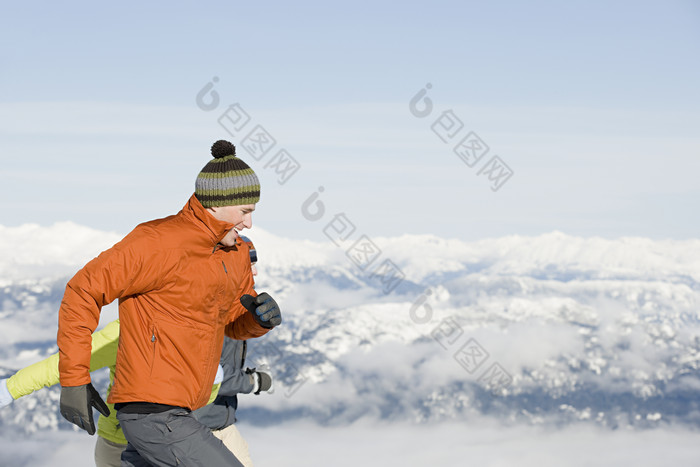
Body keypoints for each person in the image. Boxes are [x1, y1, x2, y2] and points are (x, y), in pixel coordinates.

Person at [56, 140, 282, 466]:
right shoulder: (157, 243)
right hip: (151, 409)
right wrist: (75, 379)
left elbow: (231, 323)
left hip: (185, 408)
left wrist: (259, 320)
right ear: (216, 205)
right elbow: (82, 292)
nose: (249, 223)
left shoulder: (236, 254)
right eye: (245, 211)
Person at [0, 236, 271, 467]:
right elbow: (60, 363)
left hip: (190, 434)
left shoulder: (218, 318)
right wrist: (8, 390)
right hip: (126, 443)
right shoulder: (129, 328)